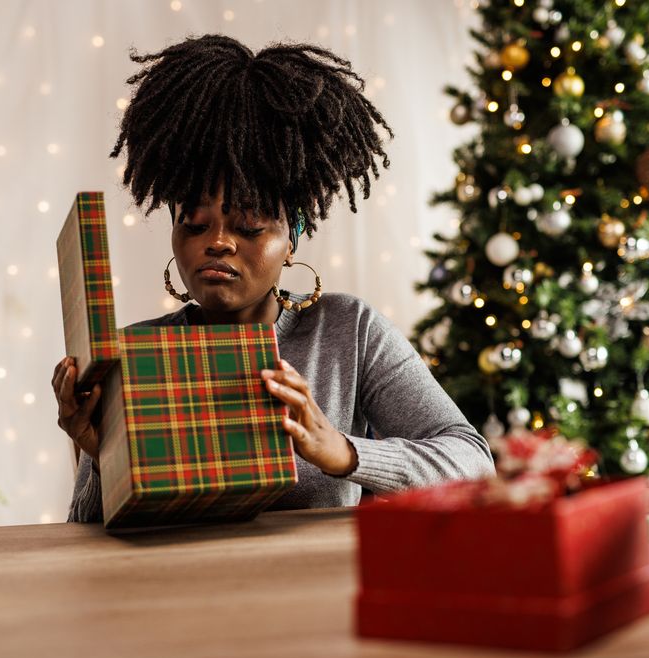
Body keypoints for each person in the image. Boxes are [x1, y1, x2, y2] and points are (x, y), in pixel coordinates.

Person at [56, 34, 493, 523]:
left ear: (292, 240)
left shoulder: (348, 332)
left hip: (314, 592)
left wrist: (343, 452)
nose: (217, 242)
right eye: (194, 224)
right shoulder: (135, 354)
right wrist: (99, 455)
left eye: (248, 225)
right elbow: (86, 540)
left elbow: (473, 462)